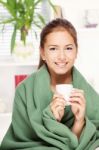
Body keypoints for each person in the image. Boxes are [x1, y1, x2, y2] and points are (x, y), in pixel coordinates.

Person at [0, 18, 99, 150]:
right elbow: (21, 141)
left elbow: (76, 145)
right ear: (42, 53)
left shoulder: (87, 93)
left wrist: (79, 121)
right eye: (53, 49)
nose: (62, 57)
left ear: (76, 51)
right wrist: (52, 122)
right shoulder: (24, 91)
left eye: (68, 48)